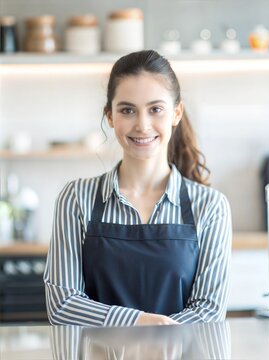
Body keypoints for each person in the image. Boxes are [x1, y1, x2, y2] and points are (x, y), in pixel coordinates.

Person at [44, 49, 232, 327]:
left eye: (155, 109)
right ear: (109, 116)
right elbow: (62, 306)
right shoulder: (76, 198)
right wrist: (140, 323)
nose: (142, 125)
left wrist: (155, 338)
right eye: (127, 110)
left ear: (176, 113)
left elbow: (209, 310)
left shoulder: (211, 206)